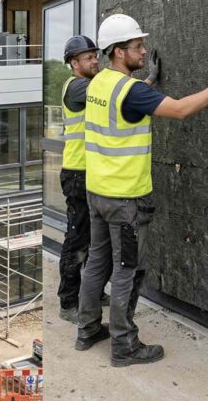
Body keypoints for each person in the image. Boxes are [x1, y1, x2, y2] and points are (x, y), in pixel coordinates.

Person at [75, 13, 208, 367]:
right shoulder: (131, 91)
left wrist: (151, 79)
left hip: (97, 194)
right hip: (125, 200)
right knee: (127, 271)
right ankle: (124, 345)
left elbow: (129, 106)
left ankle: (87, 329)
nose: (144, 50)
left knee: (96, 263)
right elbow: (181, 109)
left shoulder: (98, 85)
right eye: (138, 46)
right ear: (119, 52)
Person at [57, 35, 160, 323]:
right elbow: (117, 94)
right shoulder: (77, 87)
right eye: (87, 58)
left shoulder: (96, 86)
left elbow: (121, 99)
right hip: (78, 173)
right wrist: (143, 84)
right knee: (77, 242)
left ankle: (89, 296)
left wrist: (146, 84)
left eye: (94, 55)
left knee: (92, 246)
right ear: (73, 63)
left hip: (92, 176)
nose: (94, 61)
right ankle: (68, 302)